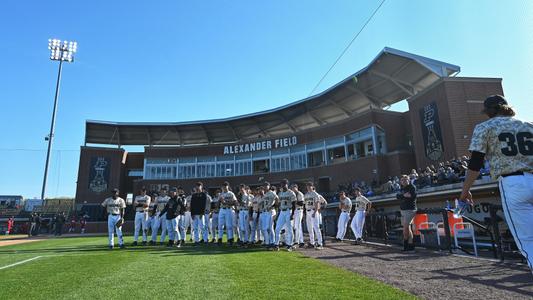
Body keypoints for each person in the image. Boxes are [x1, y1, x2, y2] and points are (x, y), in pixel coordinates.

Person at [459, 95, 533, 272]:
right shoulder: (528, 123)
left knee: (528, 240)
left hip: (513, 183)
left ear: (490, 111)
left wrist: (465, 191)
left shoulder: (485, 127)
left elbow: (476, 162)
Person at [274, 179, 296, 251]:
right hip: (282, 212)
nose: (282, 185)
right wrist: (278, 213)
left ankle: (290, 245)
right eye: (281, 184)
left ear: (287, 184)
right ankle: (276, 245)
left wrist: (292, 214)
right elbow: (279, 203)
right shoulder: (280, 193)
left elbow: (294, 204)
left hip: (288, 211)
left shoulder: (291, 193)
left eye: (284, 184)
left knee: (289, 229)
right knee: (277, 228)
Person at [397, 175, 417, 252]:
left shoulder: (412, 187)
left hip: (410, 210)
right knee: (407, 228)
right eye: (402, 180)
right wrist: (403, 195)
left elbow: (412, 197)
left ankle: (406, 246)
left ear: (409, 180)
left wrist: (402, 196)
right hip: (403, 210)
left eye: (406, 180)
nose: (404, 181)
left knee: (405, 228)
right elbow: (397, 196)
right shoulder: (402, 188)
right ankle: (410, 246)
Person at [304, 182, 325, 250]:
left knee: (316, 228)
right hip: (308, 211)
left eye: (309, 186)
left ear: (312, 186)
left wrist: (315, 212)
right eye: (307, 186)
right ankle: (312, 243)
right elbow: (305, 204)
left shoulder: (315, 194)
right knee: (309, 228)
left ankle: (320, 243)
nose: (308, 187)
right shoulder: (306, 194)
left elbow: (317, 203)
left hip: (313, 211)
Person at [218, 182, 237, 246]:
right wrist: (220, 201)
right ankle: (220, 239)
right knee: (220, 225)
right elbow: (218, 203)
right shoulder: (221, 194)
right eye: (223, 186)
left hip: (228, 209)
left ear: (228, 186)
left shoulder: (231, 193)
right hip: (222, 209)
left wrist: (225, 202)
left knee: (229, 225)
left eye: (225, 186)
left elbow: (235, 202)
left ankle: (230, 239)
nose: (224, 187)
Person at [259, 182, 277, 249]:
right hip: (265, 212)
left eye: (266, 185)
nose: (265, 187)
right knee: (267, 228)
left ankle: (271, 243)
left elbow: (277, 199)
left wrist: (273, 206)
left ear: (269, 186)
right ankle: (269, 242)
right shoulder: (265, 194)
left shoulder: (271, 192)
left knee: (269, 228)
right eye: (264, 186)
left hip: (270, 211)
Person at [291, 184, 305, 248]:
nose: (293, 189)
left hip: (299, 210)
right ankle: (301, 241)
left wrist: (295, 202)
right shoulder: (293, 194)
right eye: (292, 188)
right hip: (295, 211)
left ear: (297, 188)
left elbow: (302, 203)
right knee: (297, 227)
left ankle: (297, 242)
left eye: (294, 188)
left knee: (298, 226)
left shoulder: (300, 194)